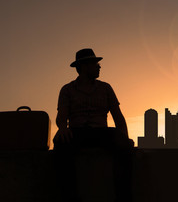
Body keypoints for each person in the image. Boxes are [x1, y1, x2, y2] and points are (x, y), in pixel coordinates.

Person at [53, 48, 134, 202]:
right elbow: (61, 116)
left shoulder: (106, 88)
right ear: (83, 67)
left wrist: (125, 138)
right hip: (76, 132)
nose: (99, 67)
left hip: (101, 132)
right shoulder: (67, 90)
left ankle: (123, 197)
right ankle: (69, 197)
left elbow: (119, 118)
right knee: (60, 144)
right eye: (95, 64)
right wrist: (62, 128)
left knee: (125, 147)